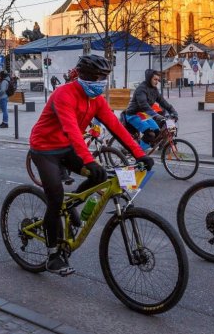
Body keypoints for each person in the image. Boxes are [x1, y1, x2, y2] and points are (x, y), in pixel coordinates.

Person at [29, 55, 154, 276]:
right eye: (95, 77)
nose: (99, 82)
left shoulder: (96, 100)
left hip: (67, 147)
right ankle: (53, 255)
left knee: (99, 177)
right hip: (45, 149)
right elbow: (72, 129)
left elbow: (116, 126)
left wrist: (139, 153)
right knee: (55, 198)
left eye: (103, 77)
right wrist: (88, 159)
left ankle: (71, 205)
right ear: (83, 75)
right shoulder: (64, 94)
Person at [123, 69, 179, 151]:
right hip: (133, 114)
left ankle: (145, 145)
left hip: (144, 114)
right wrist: (155, 115)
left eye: (158, 80)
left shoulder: (154, 90)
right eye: (155, 79)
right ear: (149, 78)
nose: (157, 82)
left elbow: (163, 102)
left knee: (157, 132)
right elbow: (144, 105)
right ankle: (138, 154)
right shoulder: (141, 89)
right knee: (150, 134)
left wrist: (173, 112)